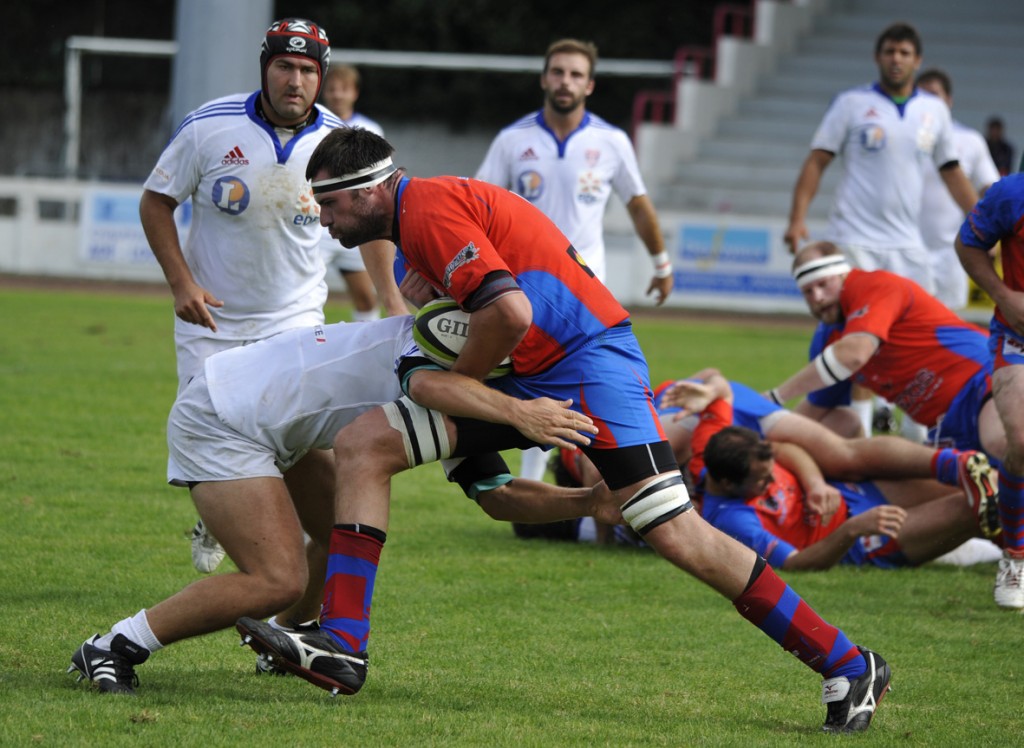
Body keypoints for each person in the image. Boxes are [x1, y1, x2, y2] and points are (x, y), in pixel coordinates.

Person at [237, 128, 892, 734]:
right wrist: (571, 492)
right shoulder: (416, 221)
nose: (321, 219)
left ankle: (847, 663)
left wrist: (467, 390)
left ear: (368, 191)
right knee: (365, 444)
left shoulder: (426, 208)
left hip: (587, 364)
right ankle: (344, 643)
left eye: (328, 203)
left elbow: (511, 312)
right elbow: (497, 484)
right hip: (534, 368)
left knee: (678, 535)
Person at [67, 314, 617, 694]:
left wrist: (591, 500)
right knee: (275, 577)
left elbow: (500, 498)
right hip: (224, 416)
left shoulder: (473, 375)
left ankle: (289, 643)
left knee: (343, 532)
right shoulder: (450, 361)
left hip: (276, 419)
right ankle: (114, 644)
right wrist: (521, 418)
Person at [139, 18, 399, 575]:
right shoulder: (208, 126)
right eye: (285, 66)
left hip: (297, 321)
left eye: (308, 70)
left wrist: (393, 301)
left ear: (322, 76)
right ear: (265, 67)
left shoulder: (338, 142)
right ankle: (247, 545)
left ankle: (288, 601)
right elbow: (155, 201)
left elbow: (375, 225)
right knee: (223, 435)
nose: (295, 80)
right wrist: (182, 283)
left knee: (300, 451)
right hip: (213, 326)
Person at [475, 38, 674, 485]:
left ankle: (609, 475)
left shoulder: (612, 141)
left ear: (590, 85)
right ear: (545, 78)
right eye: (559, 72)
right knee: (524, 374)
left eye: (576, 75)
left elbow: (638, 204)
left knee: (590, 378)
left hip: (585, 288)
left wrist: (661, 263)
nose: (566, 81)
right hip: (521, 284)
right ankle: (530, 480)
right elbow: (479, 205)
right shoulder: (513, 140)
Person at [783, 22, 978, 439]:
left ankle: (920, 437)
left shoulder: (934, 111)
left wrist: (983, 221)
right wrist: (797, 217)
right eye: (890, 51)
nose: (897, 59)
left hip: (908, 243)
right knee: (857, 337)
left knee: (916, 340)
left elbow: (951, 171)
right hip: (854, 238)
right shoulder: (851, 104)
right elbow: (818, 159)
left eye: (905, 53)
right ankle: (860, 435)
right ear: (878, 57)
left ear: (917, 60)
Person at [679, 372, 998, 571]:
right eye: (762, 481)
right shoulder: (732, 521)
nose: (770, 480)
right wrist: (851, 530)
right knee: (975, 507)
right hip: (862, 541)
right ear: (726, 482)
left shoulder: (710, 446)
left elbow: (721, 385)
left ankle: (959, 474)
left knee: (983, 486)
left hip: (854, 493)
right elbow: (795, 564)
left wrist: (815, 483)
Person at [766, 241, 1005, 463]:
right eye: (807, 292)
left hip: (985, 377)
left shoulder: (873, 285)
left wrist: (776, 396)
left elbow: (854, 354)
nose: (817, 297)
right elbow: (818, 408)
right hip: (946, 425)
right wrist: (765, 434)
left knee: (1000, 440)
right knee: (945, 498)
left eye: (823, 284)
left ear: (842, 275)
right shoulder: (827, 340)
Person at [955, 172, 1024, 608]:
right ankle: (1015, 557)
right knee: (1020, 439)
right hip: (1018, 337)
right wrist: (1004, 295)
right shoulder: (1013, 193)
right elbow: (968, 244)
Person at [318, 63, 405, 323]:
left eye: (343, 89)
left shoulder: (370, 129)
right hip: (318, 226)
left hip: (357, 223)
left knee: (367, 297)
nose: (337, 95)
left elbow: (381, 182)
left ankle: (365, 351)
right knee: (305, 294)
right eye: (332, 89)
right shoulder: (315, 126)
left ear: (354, 92)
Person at [915, 69, 1000, 311]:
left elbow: (990, 189)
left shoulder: (969, 140)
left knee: (945, 327)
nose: (928, 103)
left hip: (949, 253)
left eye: (934, 95)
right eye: (921, 96)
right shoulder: (901, 137)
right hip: (904, 249)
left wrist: (991, 230)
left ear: (949, 101)